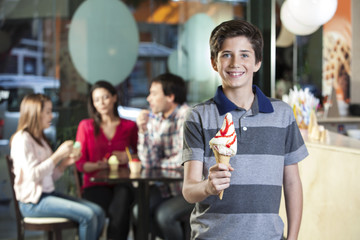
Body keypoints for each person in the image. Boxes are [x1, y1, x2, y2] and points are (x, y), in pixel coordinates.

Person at [182, 19, 308, 240]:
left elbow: (291, 182)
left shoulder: (282, 114)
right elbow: (189, 190)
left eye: (244, 55)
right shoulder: (198, 116)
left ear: (258, 62)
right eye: (226, 54)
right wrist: (208, 187)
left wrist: (293, 236)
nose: (235, 63)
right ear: (214, 62)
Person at [10, 93, 105, 240]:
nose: (52, 116)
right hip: (33, 203)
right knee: (88, 215)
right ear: (36, 113)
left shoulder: (40, 139)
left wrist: (65, 163)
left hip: (48, 195)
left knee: (98, 212)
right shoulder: (22, 139)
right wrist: (58, 155)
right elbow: (32, 176)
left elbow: (50, 176)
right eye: (48, 112)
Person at [75, 80, 138, 240]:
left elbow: (138, 155)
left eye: (105, 97)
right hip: (95, 184)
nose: (101, 103)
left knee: (122, 201)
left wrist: (128, 157)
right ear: (93, 103)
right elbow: (80, 164)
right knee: (106, 208)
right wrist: (97, 165)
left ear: (114, 98)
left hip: (122, 182)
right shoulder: (86, 126)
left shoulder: (129, 126)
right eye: (96, 100)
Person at [136, 73, 194, 240]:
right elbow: (148, 163)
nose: (148, 99)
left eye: (154, 93)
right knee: (139, 211)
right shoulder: (156, 119)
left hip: (189, 190)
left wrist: (158, 164)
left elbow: (183, 161)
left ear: (170, 96)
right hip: (166, 189)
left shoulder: (188, 117)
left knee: (164, 215)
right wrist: (143, 131)